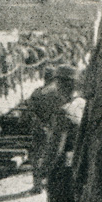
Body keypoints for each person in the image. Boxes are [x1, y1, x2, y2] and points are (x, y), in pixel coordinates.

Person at [26, 64, 77, 194]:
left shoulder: (37, 92)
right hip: (55, 128)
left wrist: (39, 124)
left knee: (37, 156)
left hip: (42, 129)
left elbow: (29, 113)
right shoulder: (63, 96)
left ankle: (37, 184)